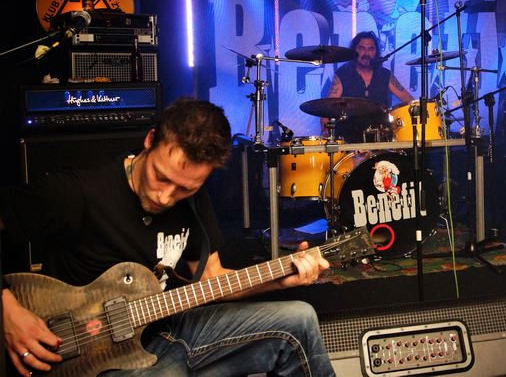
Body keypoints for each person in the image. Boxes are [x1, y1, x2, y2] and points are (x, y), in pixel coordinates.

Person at [1, 98, 334, 376]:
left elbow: (212, 279)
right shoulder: (77, 192)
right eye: (161, 177)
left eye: (184, 188)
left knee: (299, 320)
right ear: (150, 140)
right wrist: (7, 311)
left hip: (166, 329)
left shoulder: (194, 198)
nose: (165, 196)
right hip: (93, 355)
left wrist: (281, 279)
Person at [323, 31, 413, 142]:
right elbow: (327, 108)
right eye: (361, 48)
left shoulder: (385, 75)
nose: (366, 53)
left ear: (376, 52)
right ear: (354, 50)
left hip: (380, 140)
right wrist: (325, 133)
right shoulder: (343, 74)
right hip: (349, 141)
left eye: (371, 49)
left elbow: (409, 101)